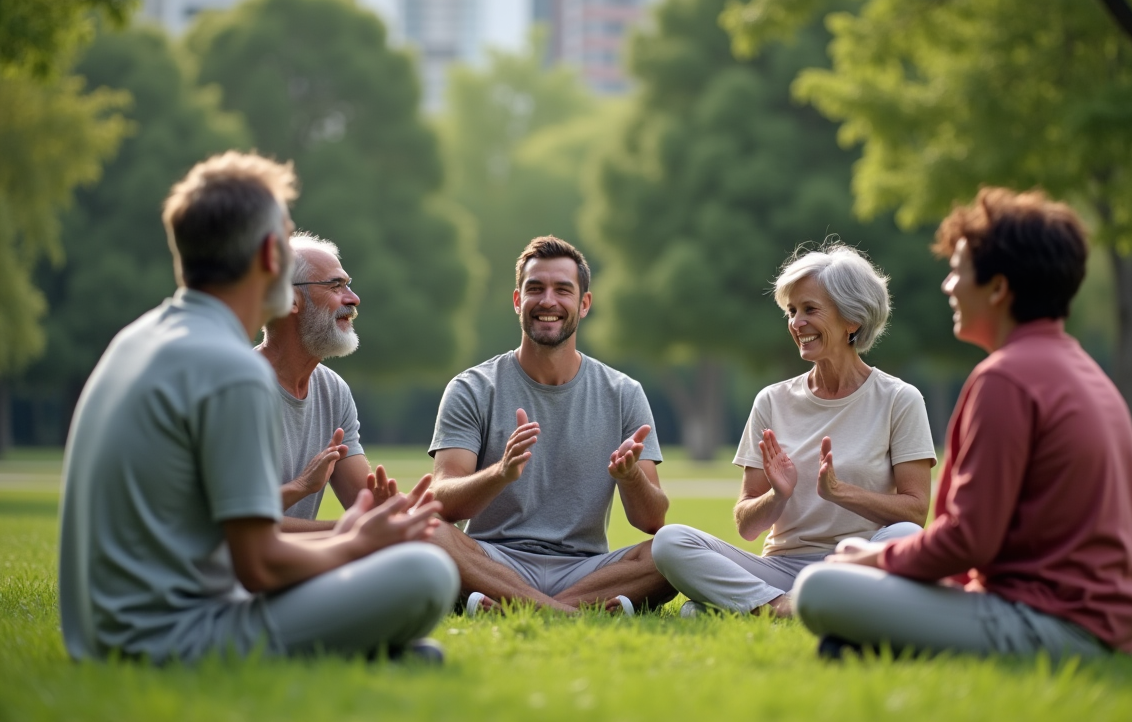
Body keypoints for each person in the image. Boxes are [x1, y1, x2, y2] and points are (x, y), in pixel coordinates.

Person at [58, 152, 458, 665]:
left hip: (101, 638)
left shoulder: (135, 339)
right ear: (270, 255)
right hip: (166, 641)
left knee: (409, 617)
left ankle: (369, 655)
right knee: (427, 572)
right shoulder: (232, 368)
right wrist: (357, 541)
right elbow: (261, 566)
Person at [794, 188, 1132, 659]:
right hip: (1102, 621)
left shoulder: (1007, 378)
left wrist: (873, 557)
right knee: (848, 614)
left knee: (819, 587)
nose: (948, 286)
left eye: (958, 271)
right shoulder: (1081, 369)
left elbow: (968, 540)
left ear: (998, 288)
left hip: (1057, 624)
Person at [652, 243, 936, 616]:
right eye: (791, 311)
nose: (796, 323)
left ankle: (743, 607)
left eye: (810, 310)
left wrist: (841, 493)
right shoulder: (772, 401)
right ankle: (780, 607)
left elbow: (915, 512)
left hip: (854, 564)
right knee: (670, 542)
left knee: (906, 537)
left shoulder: (900, 399)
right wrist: (777, 496)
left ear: (852, 320)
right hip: (780, 569)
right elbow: (746, 525)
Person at [427, 235, 675, 614]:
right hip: (493, 562)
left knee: (675, 547)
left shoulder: (623, 392)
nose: (548, 301)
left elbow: (652, 520)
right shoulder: (472, 388)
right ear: (517, 300)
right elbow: (441, 501)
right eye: (535, 289)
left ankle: (517, 606)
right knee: (426, 529)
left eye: (563, 290)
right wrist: (500, 473)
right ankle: (569, 611)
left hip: (585, 568)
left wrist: (631, 477)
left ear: (584, 303)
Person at [258, 232, 399, 532]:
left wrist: (403, 510)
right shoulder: (238, 388)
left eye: (347, 284)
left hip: (299, 563)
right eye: (336, 286)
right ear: (290, 300)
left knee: (428, 544)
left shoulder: (333, 391)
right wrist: (345, 531)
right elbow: (238, 526)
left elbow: (366, 505)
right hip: (238, 572)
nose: (353, 298)